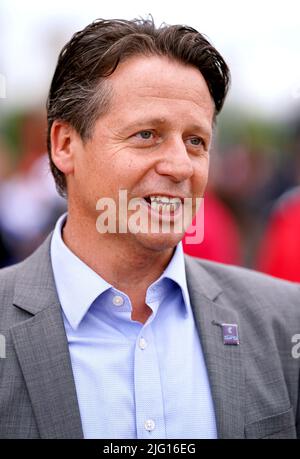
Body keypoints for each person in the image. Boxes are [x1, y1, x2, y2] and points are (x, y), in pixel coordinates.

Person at [0, 18, 299, 440]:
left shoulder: (285, 322)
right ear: (65, 145)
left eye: (195, 140)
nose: (180, 166)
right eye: (147, 135)